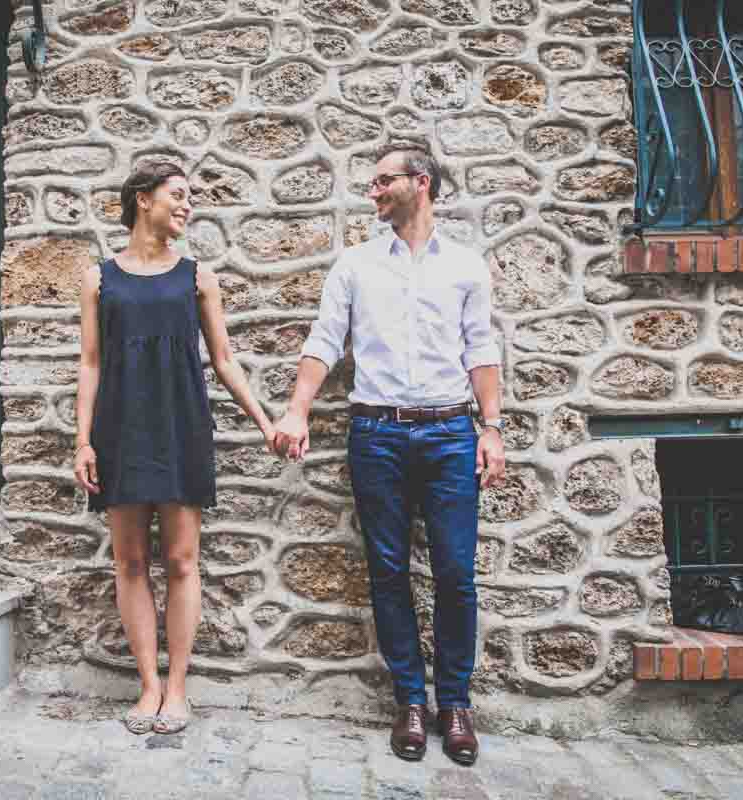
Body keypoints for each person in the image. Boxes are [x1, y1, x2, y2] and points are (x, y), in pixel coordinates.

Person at [273, 144, 505, 766]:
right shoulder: (354, 264)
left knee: (455, 573)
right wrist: (297, 409)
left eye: (382, 181)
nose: (372, 191)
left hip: (451, 433)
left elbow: (481, 350)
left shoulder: (464, 267)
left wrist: (493, 427)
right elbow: (324, 342)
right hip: (376, 434)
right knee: (387, 569)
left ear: (419, 183)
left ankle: (454, 703)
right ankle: (409, 699)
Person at [74, 162, 276, 735]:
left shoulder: (197, 278)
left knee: (183, 561)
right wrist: (82, 440)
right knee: (130, 561)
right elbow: (90, 365)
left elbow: (226, 360)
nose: (188, 206)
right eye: (179, 196)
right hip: (120, 428)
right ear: (143, 199)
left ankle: (179, 689)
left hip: (180, 424)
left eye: (191, 199)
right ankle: (148, 686)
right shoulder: (98, 278)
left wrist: (263, 421)